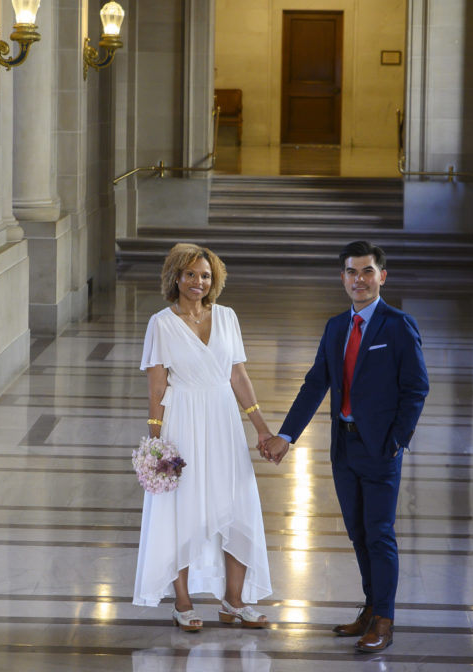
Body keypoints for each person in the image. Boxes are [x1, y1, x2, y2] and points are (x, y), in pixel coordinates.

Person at [262, 240, 429, 653]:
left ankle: (385, 621)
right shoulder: (337, 326)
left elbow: (416, 388)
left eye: (367, 271)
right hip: (344, 447)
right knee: (358, 533)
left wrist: (396, 442)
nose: (360, 279)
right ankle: (371, 609)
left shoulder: (398, 325)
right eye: (352, 272)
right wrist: (286, 435)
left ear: (382, 276)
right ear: (342, 279)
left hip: (380, 449)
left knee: (380, 535)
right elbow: (317, 382)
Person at [133, 243, 275, 632]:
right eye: (191, 274)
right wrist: (156, 444)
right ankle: (182, 602)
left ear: (215, 280)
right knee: (183, 510)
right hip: (182, 422)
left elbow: (238, 377)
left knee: (238, 503)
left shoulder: (227, 317)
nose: (198, 282)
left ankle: (235, 600)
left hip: (224, 420)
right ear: (176, 276)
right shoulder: (161, 323)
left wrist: (261, 427)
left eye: (206, 275)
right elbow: (156, 390)